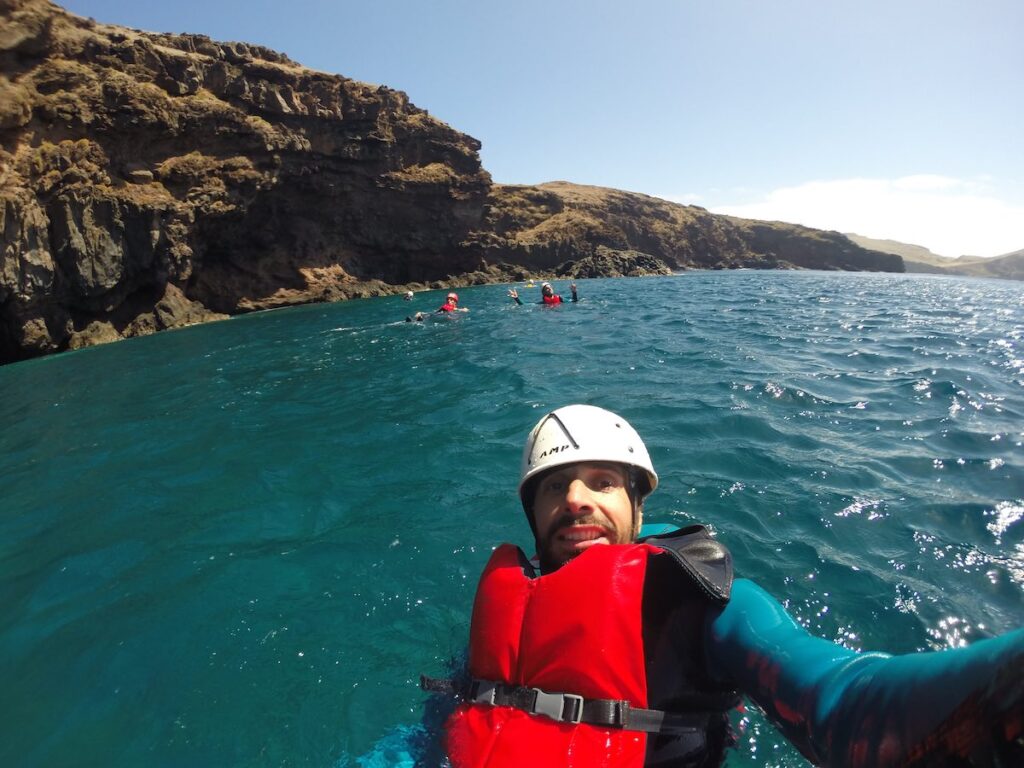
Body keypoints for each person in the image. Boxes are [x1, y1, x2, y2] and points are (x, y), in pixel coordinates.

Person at [425, 404, 1024, 768]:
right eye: (554, 488)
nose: (576, 500)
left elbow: (836, 694)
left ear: (637, 504)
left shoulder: (699, 597)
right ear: (532, 514)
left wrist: (1000, 692)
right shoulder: (515, 595)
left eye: (602, 482)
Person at [509, 281, 578, 305]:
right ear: (543, 292)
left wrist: (574, 292)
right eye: (546, 288)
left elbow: (574, 301)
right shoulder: (543, 303)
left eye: (550, 287)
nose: (549, 288)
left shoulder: (560, 298)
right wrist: (516, 298)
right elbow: (524, 305)